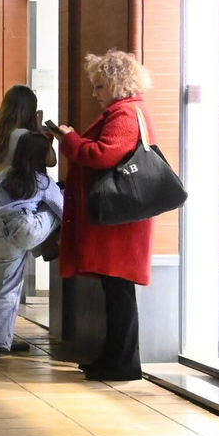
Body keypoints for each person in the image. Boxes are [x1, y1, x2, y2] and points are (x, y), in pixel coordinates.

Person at [45, 50, 156, 381]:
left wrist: (71, 140)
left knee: (119, 292)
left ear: (116, 83)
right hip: (120, 220)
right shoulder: (125, 111)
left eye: (98, 86)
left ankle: (123, 363)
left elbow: (103, 155)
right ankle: (114, 357)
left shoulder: (124, 114)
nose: (94, 94)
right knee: (115, 291)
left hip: (120, 222)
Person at [0, 131, 62, 363]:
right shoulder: (43, 182)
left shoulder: (3, 177)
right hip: (27, 227)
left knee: (5, 288)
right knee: (59, 202)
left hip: (0, 230)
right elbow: (62, 210)